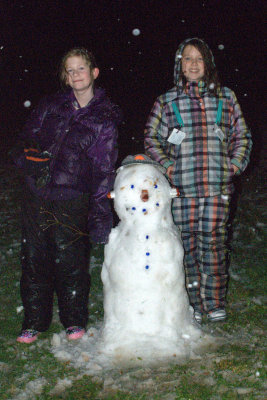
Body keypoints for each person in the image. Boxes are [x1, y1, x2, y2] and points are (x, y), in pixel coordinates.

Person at [14, 48, 121, 343]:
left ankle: (73, 321)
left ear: (94, 72)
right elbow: (27, 137)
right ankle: (34, 320)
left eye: (81, 69)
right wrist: (28, 158)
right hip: (38, 192)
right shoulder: (51, 105)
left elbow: (104, 169)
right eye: (70, 70)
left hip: (73, 196)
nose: (75, 75)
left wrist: (101, 215)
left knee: (70, 259)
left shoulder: (104, 119)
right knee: (34, 256)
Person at [144, 38, 252, 324]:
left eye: (199, 59)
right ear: (179, 64)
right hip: (182, 191)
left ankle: (214, 302)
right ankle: (192, 302)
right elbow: (151, 139)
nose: (193, 64)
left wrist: (234, 165)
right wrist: (167, 166)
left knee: (214, 246)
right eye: (187, 58)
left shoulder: (226, 98)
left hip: (217, 190)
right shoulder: (166, 101)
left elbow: (242, 136)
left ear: (208, 64)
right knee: (186, 247)